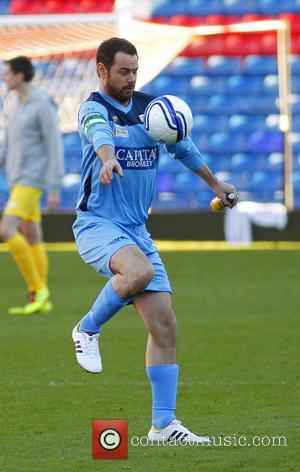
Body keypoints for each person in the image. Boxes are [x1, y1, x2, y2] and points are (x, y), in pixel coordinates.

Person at [72, 37, 238, 444]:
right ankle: (87, 329)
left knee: (165, 326)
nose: (131, 79)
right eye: (123, 71)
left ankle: (163, 426)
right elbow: (99, 135)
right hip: (97, 224)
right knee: (139, 271)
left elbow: (183, 148)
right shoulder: (93, 109)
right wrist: (108, 157)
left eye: (135, 71)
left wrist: (216, 184)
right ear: (102, 70)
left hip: (136, 231)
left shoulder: (153, 111)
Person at [0, 56, 64, 315]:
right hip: (18, 179)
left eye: (7, 73)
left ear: (19, 75)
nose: (4, 78)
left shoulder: (42, 105)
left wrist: (55, 186)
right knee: (32, 235)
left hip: (32, 180)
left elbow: (54, 144)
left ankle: (38, 289)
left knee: (6, 230)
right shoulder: (15, 104)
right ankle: (42, 299)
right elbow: (9, 144)